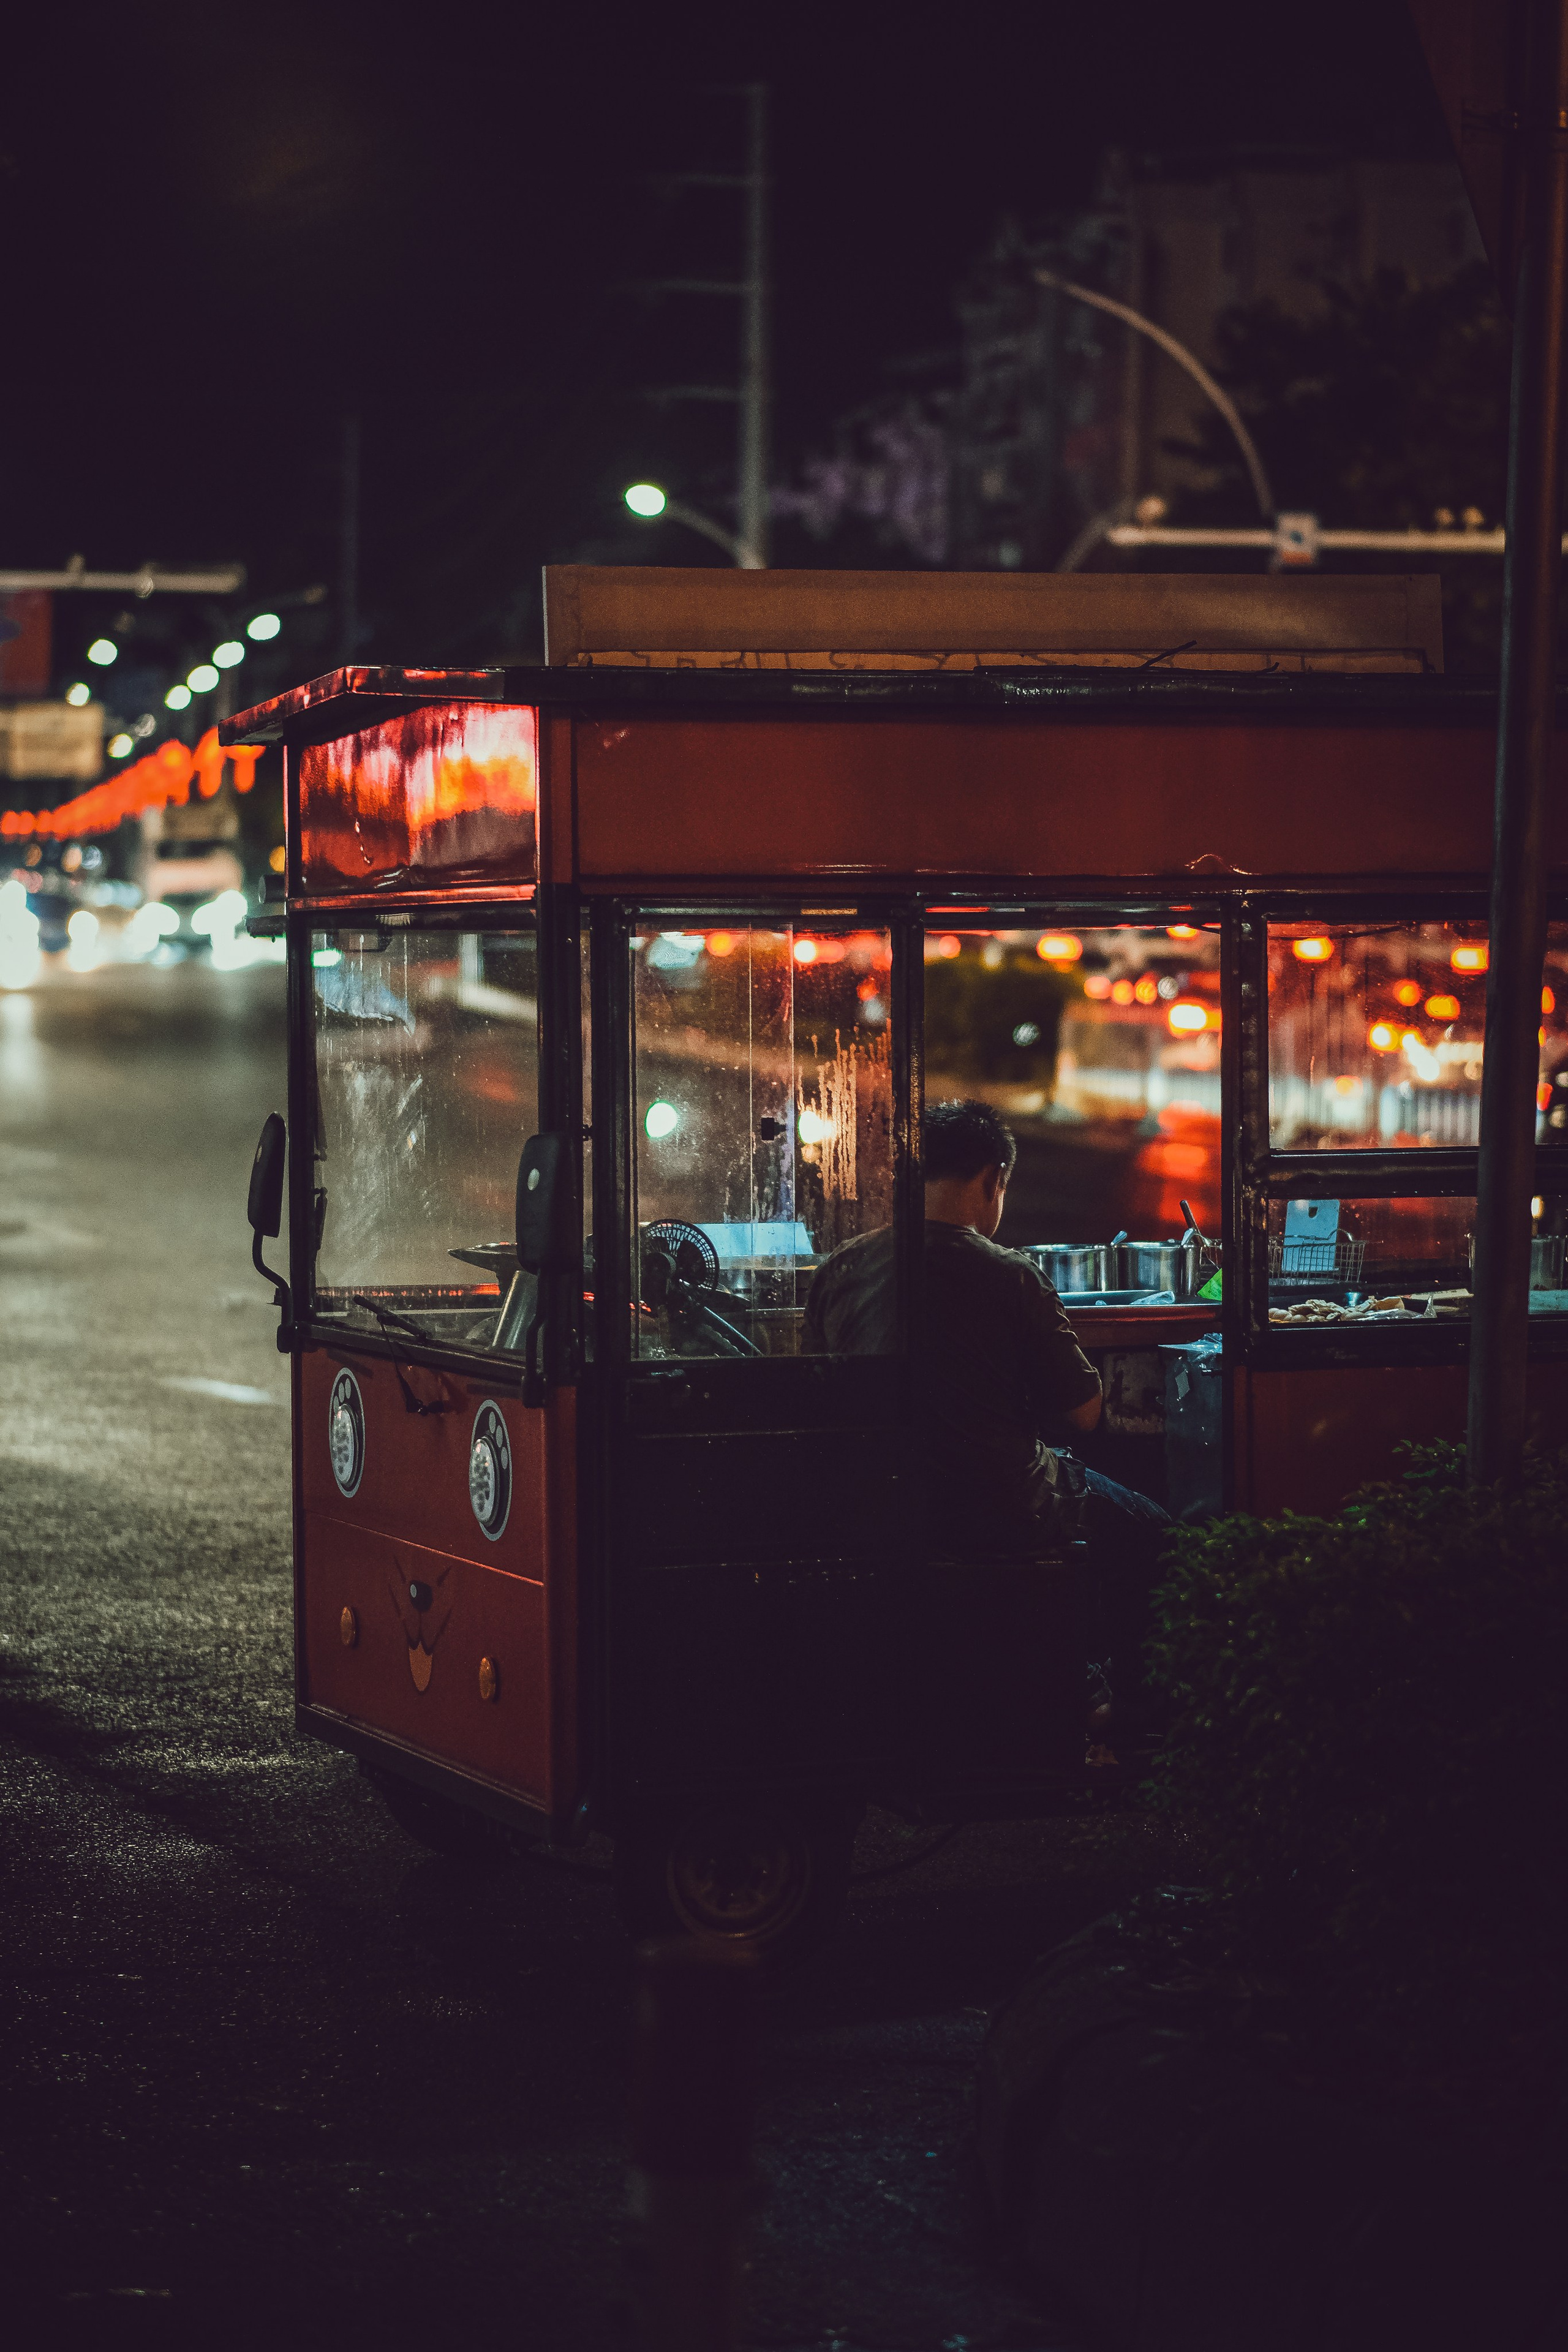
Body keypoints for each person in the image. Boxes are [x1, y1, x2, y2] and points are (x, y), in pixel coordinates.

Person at [803, 1096, 1170, 1730]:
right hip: (1000, 1504)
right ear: (995, 1179)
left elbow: (820, 1392)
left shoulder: (841, 1267)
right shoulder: (1010, 1275)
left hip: (876, 1501)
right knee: (1156, 1534)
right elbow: (1083, 1415)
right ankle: (1128, 1716)